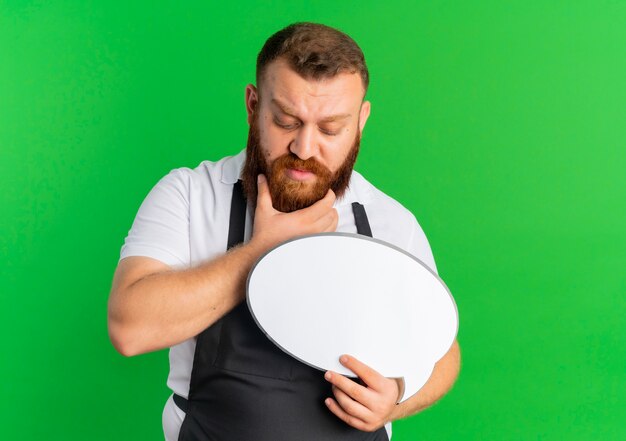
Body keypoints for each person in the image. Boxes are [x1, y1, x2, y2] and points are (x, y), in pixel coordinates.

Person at [108, 22, 460, 441]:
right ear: (253, 105)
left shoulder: (390, 222)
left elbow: (443, 352)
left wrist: (398, 396)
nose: (305, 148)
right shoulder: (190, 195)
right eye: (287, 121)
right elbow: (130, 327)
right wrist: (263, 250)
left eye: (331, 129)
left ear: (361, 121)